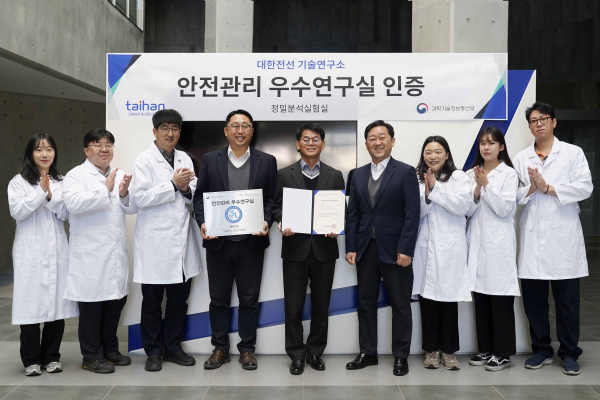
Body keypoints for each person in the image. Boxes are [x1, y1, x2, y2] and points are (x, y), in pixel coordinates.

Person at [193, 109, 277, 371]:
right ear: (226, 130)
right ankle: (220, 348)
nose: (240, 130)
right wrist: (203, 222)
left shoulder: (267, 161)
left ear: (252, 131)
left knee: (249, 300)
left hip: (251, 243)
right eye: (235, 125)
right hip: (219, 243)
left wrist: (266, 220)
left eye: (245, 126)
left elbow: (272, 198)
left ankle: (247, 349)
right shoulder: (210, 159)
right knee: (218, 300)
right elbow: (199, 198)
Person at [513, 102, 593, 376]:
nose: (539, 124)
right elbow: (514, 195)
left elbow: (585, 187)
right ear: (529, 127)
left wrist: (548, 188)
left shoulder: (572, 153)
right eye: (533, 121)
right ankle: (542, 350)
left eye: (543, 119)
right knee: (534, 301)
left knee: (567, 302)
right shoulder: (522, 158)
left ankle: (569, 353)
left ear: (554, 122)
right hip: (533, 237)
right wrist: (531, 188)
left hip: (563, 239)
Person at [345, 120, 419, 376]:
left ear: (392, 141)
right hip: (365, 249)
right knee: (365, 303)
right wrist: (351, 246)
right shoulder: (357, 174)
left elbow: (412, 214)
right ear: (366, 144)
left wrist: (406, 249)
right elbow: (353, 214)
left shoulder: (405, 172)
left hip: (396, 250)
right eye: (372, 139)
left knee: (400, 305)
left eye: (382, 137)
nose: (377, 142)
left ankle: (401, 356)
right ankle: (368, 352)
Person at [272, 123, 346, 375]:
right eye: (306, 139)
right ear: (298, 144)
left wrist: (337, 225)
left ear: (323, 144)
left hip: (325, 248)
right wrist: (282, 221)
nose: (311, 143)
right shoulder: (284, 174)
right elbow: (276, 206)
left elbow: (341, 208)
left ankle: (315, 352)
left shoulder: (335, 175)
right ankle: (296, 354)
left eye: (316, 139)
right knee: (293, 307)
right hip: (295, 248)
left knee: (321, 306)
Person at [132, 109, 201, 372]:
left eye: (174, 128)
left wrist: (185, 188)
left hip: (181, 243)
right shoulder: (144, 160)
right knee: (151, 303)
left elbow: (194, 191)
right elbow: (140, 198)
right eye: (165, 128)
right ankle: (153, 351)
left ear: (179, 132)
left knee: (177, 302)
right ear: (155, 131)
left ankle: (173, 347)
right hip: (155, 244)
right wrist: (173, 185)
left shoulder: (184, 158)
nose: (170, 133)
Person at [62, 129, 136, 374]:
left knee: (114, 304)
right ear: (86, 150)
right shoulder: (76, 175)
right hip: (90, 256)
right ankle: (91, 356)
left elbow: (131, 208)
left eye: (109, 144)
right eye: (98, 144)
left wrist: (124, 193)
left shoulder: (120, 174)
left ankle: (110, 350)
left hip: (115, 253)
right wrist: (105, 189)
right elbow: (73, 204)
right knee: (92, 309)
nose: (104, 149)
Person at [8, 134, 79, 376]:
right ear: (30, 154)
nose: (45, 154)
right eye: (39, 150)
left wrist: (49, 195)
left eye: (49, 149)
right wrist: (40, 192)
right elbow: (18, 211)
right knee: (30, 305)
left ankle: (52, 357)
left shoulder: (62, 181)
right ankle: (31, 360)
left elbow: (66, 213)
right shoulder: (18, 182)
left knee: (55, 306)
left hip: (56, 250)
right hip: (30, 252)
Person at [412, 136, 471, 371]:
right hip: (425, 246)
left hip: (450, 248)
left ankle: (449, 351)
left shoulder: (459, 177)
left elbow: (463, 207)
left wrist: (436, 189)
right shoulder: (416, 179)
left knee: (448, 301)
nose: (433, 156)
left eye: (438, 151)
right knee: (427, 301)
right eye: (428, 152)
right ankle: (431, 350)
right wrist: (428, 195)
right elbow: (414, 212)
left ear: (447, 154)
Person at [465, 127, 521, 372]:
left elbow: (505, 209)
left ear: (501, 147)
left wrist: (486, 185)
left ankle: (503, 353)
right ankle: (486, 349)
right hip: (476, 245)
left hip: (499, 246)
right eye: (482, 143)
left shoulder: (508, 174)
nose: (486, 147)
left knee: (499, 300)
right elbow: (466, 210)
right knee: (481, 299)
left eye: (491, 143)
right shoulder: (471, 174)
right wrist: (477, 189)